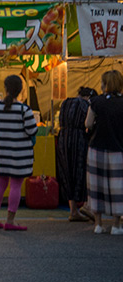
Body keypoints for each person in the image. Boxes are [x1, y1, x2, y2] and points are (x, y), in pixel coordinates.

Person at [0, 75, 39, 231]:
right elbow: (32, 130)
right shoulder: (24, 109)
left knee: (1, 184)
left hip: (1, 152)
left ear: (5, 88)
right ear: (20, 90)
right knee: (15, 185)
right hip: (19, 154)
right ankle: (10, 220)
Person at [85, 70, 123, 236]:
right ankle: (116, 225)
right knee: (117, 188)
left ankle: (98, 225)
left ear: (105, 84)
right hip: (118, 150)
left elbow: (88, 123)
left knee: (96, 187)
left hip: (96, 148)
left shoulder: (95, 101)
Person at [56, 87, 96, 221]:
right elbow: (89, 124)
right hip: (78, 139)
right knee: (81, 171)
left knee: (67, 173)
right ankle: (86, 205)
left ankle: (73, 211)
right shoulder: (86, 105)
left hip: (63, 138)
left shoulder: (65, 102)